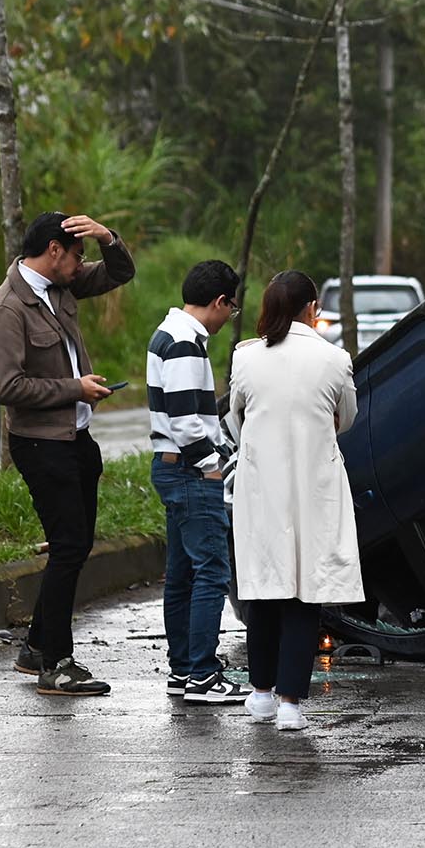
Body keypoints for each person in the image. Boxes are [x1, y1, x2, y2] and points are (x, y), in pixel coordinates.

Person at [0, 210, 135, 696]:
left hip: (76, 440)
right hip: (40, 444)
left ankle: (35, 646)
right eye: (77, 254)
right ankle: (57, 661)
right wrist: (75, 388)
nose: (80, 264)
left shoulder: (61, 286)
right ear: (54, 250)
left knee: (77, 545)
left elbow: (119, 272)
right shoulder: (8, 308)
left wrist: (107, 237)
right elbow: (6, 387)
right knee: (68, 547)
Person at [225, 270, 364, 731]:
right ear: (313, 307)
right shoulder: (335, 358)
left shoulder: (245, 358)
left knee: (264, 586)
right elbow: (346, 418)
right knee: (306, 590)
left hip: (262, 485)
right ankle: (290, 704)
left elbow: (236, 419)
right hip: (313, 486)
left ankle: (260, 694)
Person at [148, 260, 248, 705]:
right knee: (212, 570)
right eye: (232, 307)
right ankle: (204, 676)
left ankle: (184, 670)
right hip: (189, 470)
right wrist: (211, 464)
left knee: (183, 575)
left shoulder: (167, 333)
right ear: (220, 301)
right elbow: (186, 420)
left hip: (171, 466)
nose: (231, 317)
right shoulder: (187, 342)